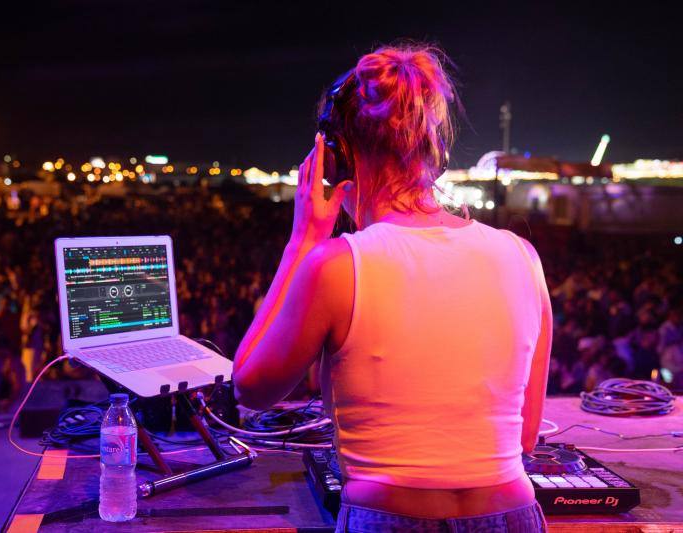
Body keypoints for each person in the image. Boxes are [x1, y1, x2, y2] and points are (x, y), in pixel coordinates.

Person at [233, 44, 551, 532]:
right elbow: (525, 439)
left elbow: (250, 387)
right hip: (514, 517)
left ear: (334, 158)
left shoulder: (337, 266)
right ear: (434, 152)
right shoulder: (524, 259)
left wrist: (302, 240)